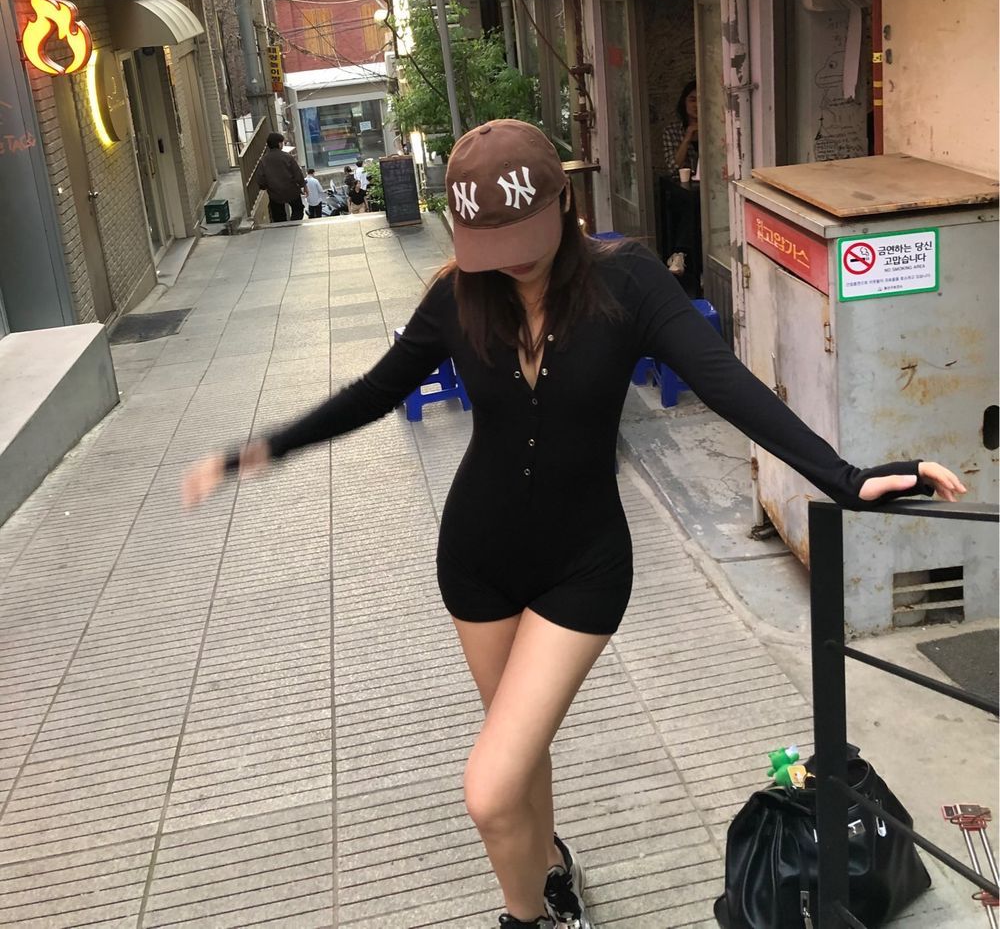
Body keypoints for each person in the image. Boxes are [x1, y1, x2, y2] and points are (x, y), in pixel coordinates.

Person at [182, 119, 964, 929]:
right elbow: (376, 391)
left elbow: (726, 382)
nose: (513, 260)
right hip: (476, 564)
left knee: (490, 789)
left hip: (583, 566)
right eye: (492, 243)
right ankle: (552, 871)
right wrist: (261, 449)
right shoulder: (457, 296)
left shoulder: (627, 282)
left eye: (525, 236)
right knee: (517, 754)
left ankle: (529, 918)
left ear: (564, 201)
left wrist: (846, 476)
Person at [660, 79, 701, 286]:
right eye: (692, 99)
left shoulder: (716, 127)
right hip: (682, 190)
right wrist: (688, 137)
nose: (696, 105)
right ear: (684, 103)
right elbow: (672, 166)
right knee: (690, 205)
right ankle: (681, 255)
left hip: (707, 188)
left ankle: (684, 256)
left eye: (701, 99)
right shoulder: (673, 130)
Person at [257, 132, 305, 223]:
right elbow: (297, 174)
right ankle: (293, 224)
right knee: (298, 209)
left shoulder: (264, 160)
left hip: (275, 193)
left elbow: (260, 178)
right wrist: (303, 185)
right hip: (291, 190)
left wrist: (264, 186)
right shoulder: (287, 157)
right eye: (282, 143)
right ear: (279, 144)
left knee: (278, 216)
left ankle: (283, 228)